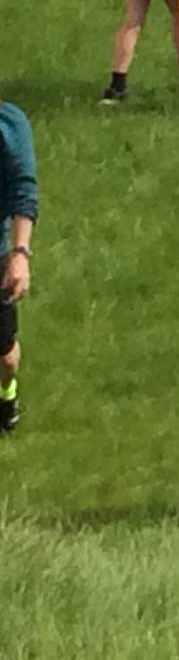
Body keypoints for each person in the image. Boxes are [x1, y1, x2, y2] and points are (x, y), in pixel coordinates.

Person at [0, 97, 38, 435]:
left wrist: (19, 255)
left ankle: (6, 392)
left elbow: (23, 192)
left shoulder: (9, 125)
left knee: (5, 354)